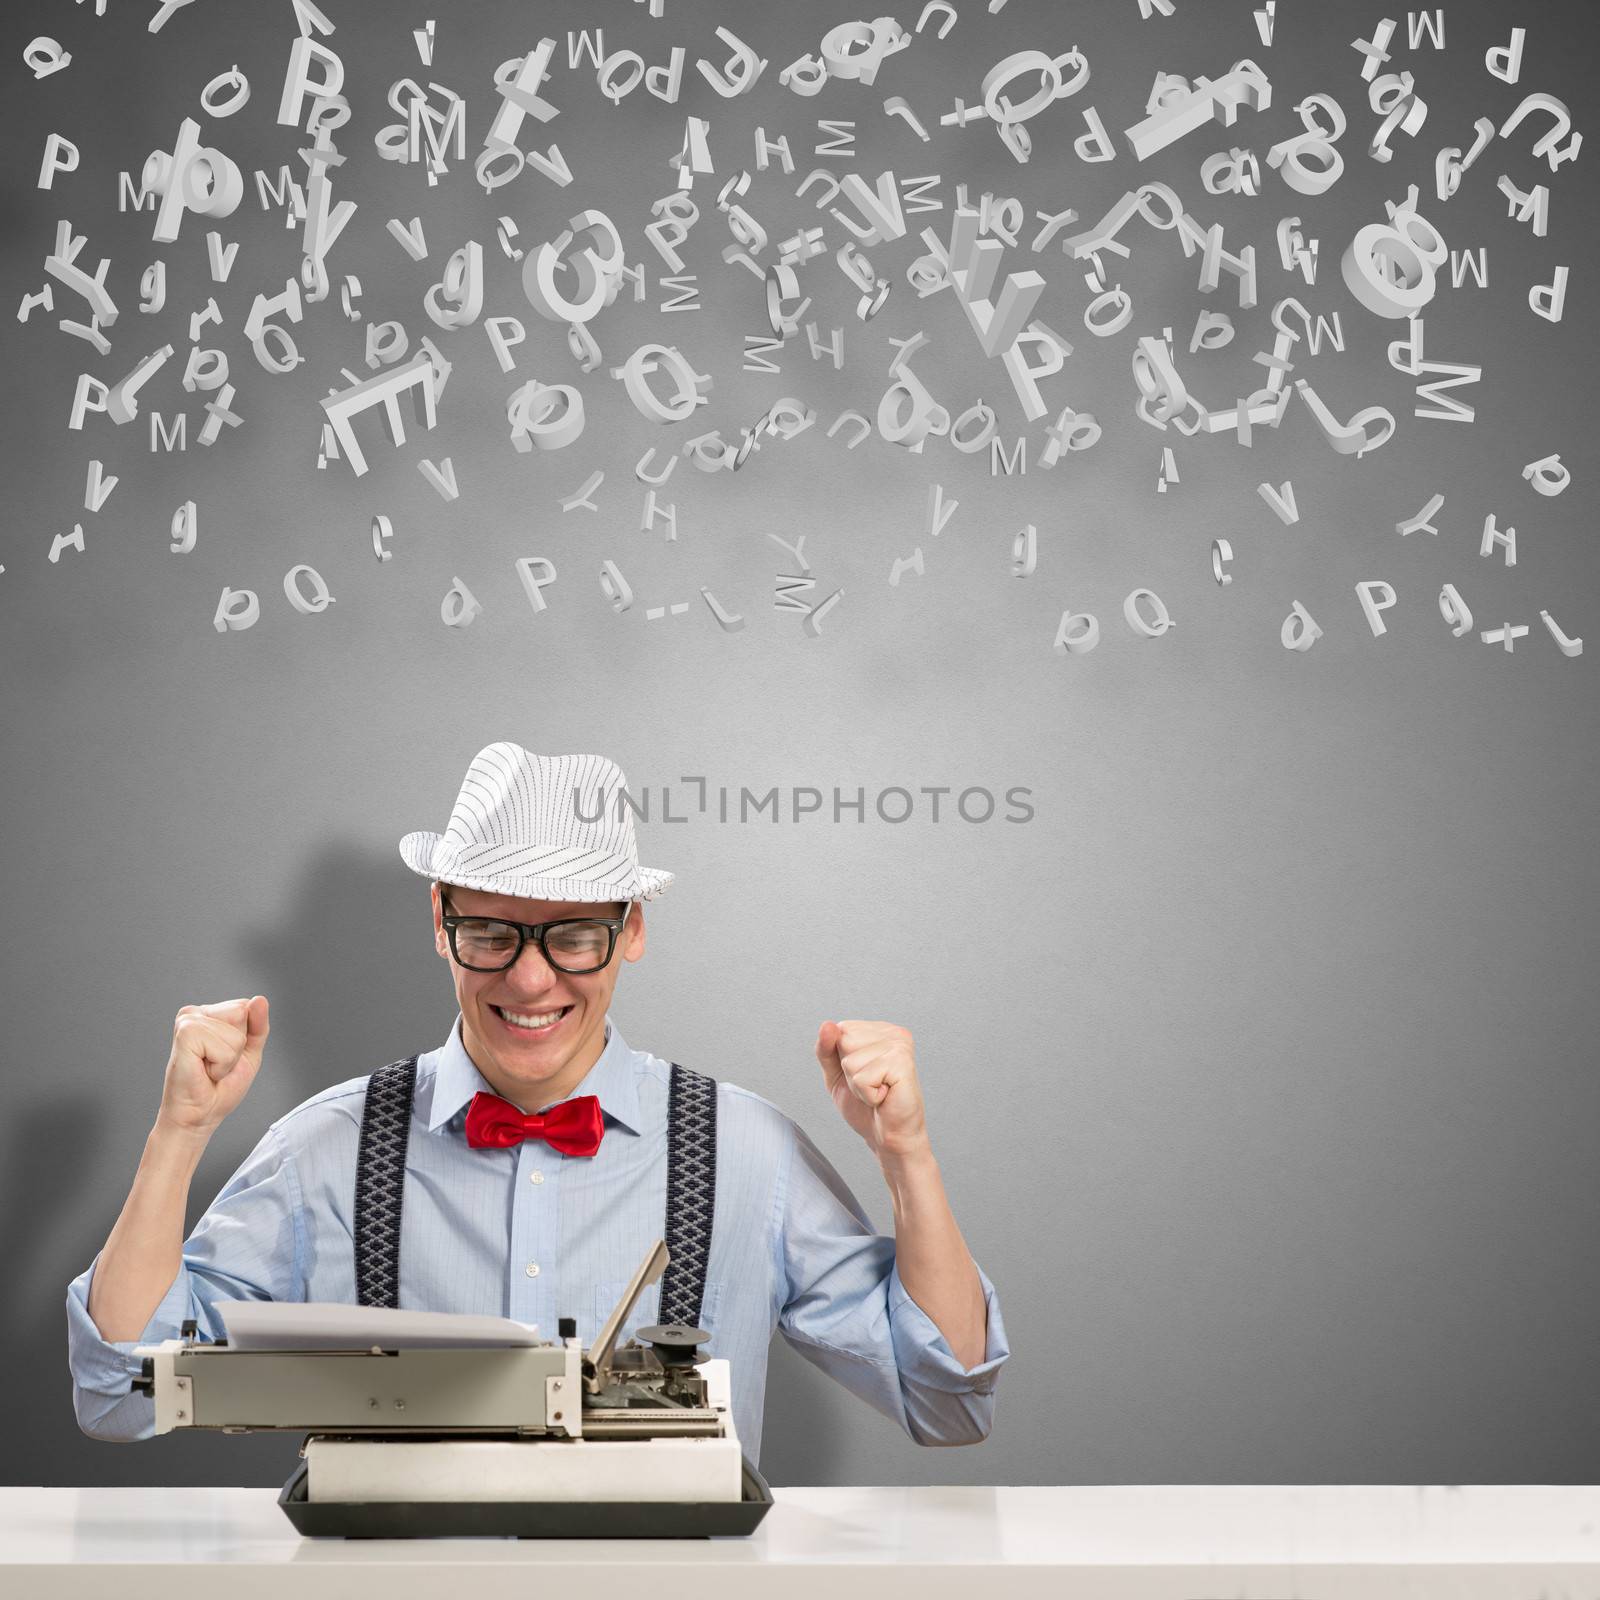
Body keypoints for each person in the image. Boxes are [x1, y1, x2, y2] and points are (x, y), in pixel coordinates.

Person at [66, 743, 1010, 1469]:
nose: (529, 979)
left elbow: (945, 1399)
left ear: (632, 930)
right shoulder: (324, 1149)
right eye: (490, 931)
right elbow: (121, 1393)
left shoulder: (747, 1150)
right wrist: (177, 1137)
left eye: (573, 936)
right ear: (439, 922)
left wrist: (908, 1159)